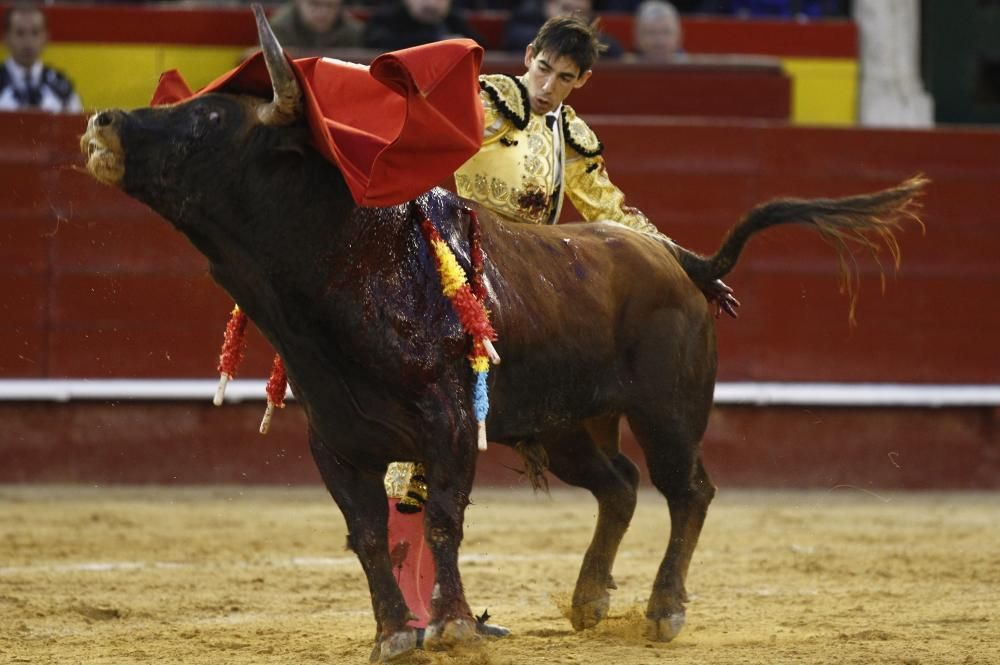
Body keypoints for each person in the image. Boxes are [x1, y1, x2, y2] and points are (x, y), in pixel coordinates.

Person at [389, 14, 738, 640]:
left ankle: (436, 598)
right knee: (416, 425)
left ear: (583, 82)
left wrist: (691, 266)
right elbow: (426, 146)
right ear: (529, 55)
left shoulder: (570, 133)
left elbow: (613, 212)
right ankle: (422, 599)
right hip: (468, 265)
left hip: (530, 289)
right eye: (544, 69)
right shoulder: (489, 102)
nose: (549, 85)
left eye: (565, 78)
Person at [0, 2, 81, 113]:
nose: (28, 42)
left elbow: (76, 126)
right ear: (6, 37)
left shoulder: (61, 87)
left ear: (45, 37)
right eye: (20, 33)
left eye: (35, 33)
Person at [503, 0, 624, 56]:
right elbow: (514, 39)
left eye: (582, 13)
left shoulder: (589, 34)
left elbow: (613, 48)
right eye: (567, 9)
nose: (574, 16)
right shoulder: (526, 17)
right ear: (549, 6)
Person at [363, 0, 483, 51]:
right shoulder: (386, 18)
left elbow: (481, 45)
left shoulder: (453, 20)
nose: (430, 4)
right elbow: (376, 43)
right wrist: (439, 43)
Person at [267, 0, 363, 50]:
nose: (323, 12)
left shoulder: (354, 32)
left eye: (330, 5)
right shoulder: (277, 28)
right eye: (314, 3)